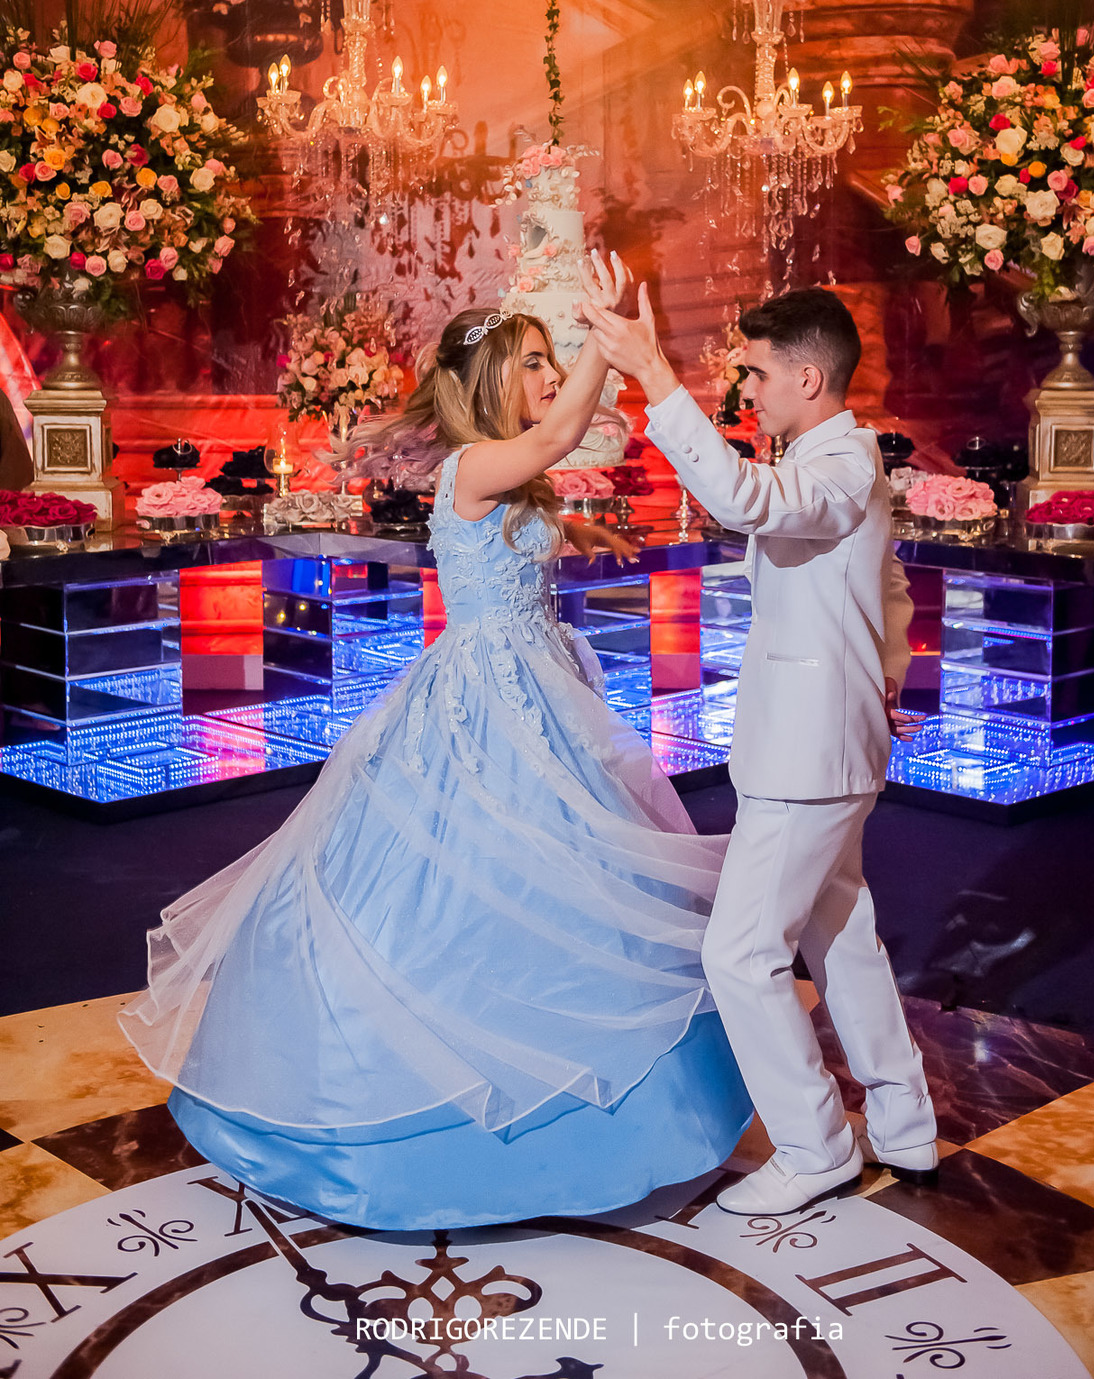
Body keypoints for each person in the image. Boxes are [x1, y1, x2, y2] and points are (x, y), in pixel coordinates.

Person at [120, 261, 752, 1230]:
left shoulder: (513, 480)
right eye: (533, 362)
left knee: (565, 882)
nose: (549, 377)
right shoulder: (474, 463)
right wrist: (611, 342)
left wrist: (580, 537)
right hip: (483, 703)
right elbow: (557, 435)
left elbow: (519, 530)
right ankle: (425, 1126)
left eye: (551, 361)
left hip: (543, 696)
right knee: (464, 883)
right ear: (489, 379)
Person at [579, 276, 937, 1215]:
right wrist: (886, 671)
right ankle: (904, 1122)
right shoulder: (841, 458)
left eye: (757, 373)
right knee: (840, 935)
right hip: (826, 740)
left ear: (808, 378)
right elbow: (889, 586)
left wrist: (655, 373)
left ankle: (816, 1147)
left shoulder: (838, 464)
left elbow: (742, 497)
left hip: (810, 754)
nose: (747, 390)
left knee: (740, 954)